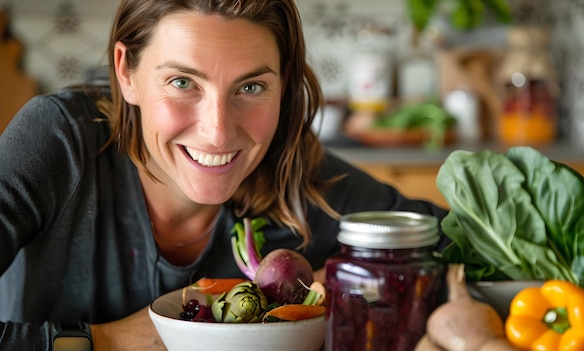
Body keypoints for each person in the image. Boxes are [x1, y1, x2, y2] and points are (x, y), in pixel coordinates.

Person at [0, 0, 449, 350]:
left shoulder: (301, 175)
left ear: (283, 83)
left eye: (251, 87)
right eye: (182, 82)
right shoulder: (58, 141)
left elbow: (458, 249)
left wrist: (344, 279)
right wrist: (110, 341)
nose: (217, 133)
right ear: (127, 72)